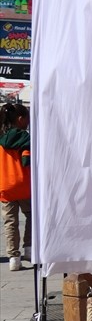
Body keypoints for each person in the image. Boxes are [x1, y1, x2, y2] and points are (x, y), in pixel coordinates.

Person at [0, 100, 31, 271]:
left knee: (10, 222)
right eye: (27, 119)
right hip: (24, 184)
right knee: (31, 216)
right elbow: (27, 160)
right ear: (20, 119)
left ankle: (13, 258)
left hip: (5, 186)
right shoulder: (25, 138)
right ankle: (29, 249)